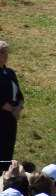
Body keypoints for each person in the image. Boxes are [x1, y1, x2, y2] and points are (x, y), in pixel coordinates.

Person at [0, 42, 24, 174]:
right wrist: (12, 109)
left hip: (11, 118)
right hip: (2, 117)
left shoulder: (9, 73)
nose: (5, 55)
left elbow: (19, 94)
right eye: (2, 52)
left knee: (8, 149)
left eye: (6, 52)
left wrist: (19, 106)